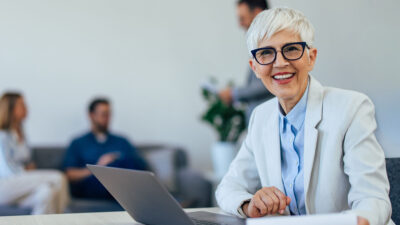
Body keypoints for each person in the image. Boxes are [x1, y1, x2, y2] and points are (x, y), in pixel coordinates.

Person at [215, 7, 393, 225]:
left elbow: (373, 200)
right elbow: (228, 187)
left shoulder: (352, 108)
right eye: (266, 53)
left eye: (291, 49)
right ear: (255, 67)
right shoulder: (261, 117)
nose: (280, 63)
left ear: (311, 57)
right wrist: (249, 205)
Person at [63, 98, 149, 199]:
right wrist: (98, 167)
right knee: (111, 168)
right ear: (91, 115)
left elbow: (141, 166)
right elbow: (70, 174)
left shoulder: (122, 141)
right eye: (103, 114)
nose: (107, 118)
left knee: (126, 162)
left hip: (122, 184)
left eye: (109, 114)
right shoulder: (78, 143)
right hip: (94, 186)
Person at [0, 92, 69, 214]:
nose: (26, 108)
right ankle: (64, 217)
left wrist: (27, 168)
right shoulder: (3, 136)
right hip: (6, 185)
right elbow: (9, 170)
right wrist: (26, 169)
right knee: (58, 178)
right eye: (21, 105)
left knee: (46, 192)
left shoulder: (21, 134)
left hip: (20, 184)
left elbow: (27, 162)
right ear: (10, 109)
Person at [219, 0, 274, 123]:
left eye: (242, 18)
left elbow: (267, 82)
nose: (240, 24)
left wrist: (234, 93)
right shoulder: (259, 42)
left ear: (258, 13)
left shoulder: (272, 41)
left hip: (267, 121)